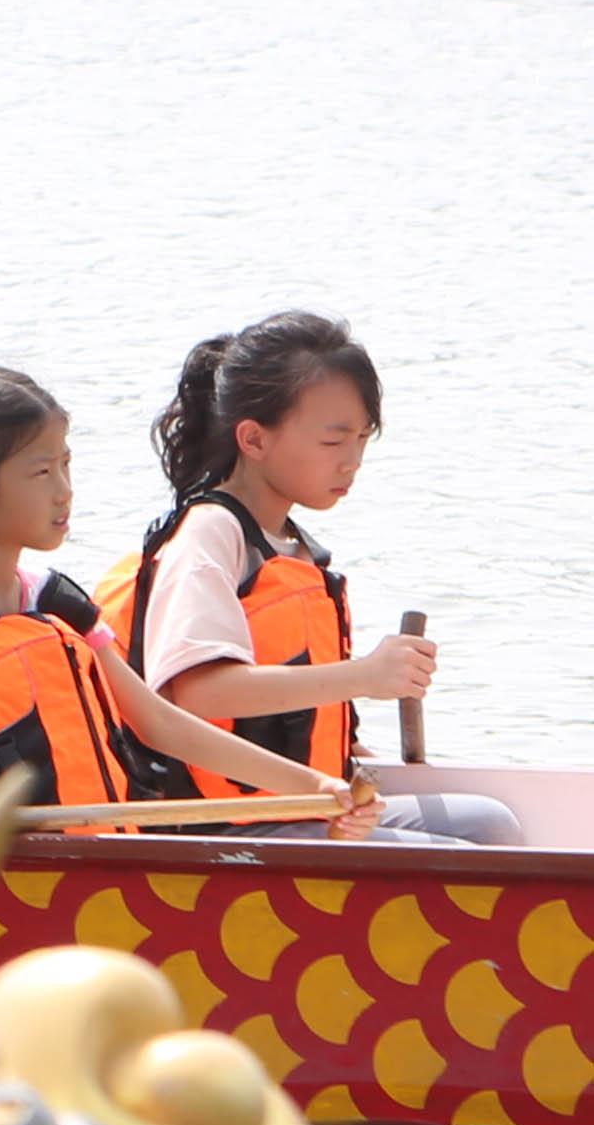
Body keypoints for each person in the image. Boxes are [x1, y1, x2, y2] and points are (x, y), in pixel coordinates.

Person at [0, 369, 368, 843]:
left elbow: (160, 723)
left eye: (66, 464)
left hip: (36, 855)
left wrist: (318, 786)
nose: (64, 490)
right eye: (41, 471)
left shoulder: (50, 600)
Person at [99, 313, 517, 845]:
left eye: (363, 438)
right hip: (225, 828)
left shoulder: (296, 548)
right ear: (253, 438)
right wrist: (366, 675)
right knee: (455, 855)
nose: (353, 461)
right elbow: (199, 692)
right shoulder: (210, 533)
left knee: (492, 822)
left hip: (308, 805)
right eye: (333, 442)